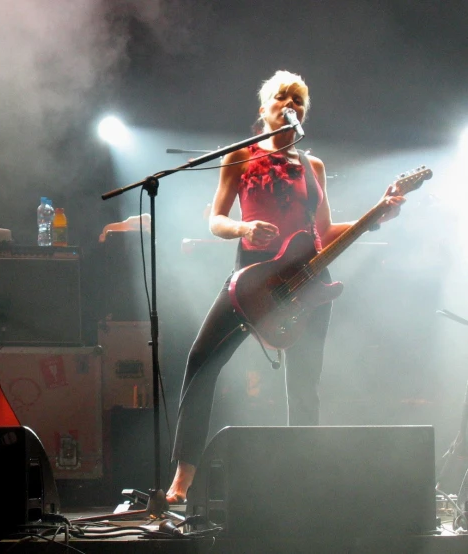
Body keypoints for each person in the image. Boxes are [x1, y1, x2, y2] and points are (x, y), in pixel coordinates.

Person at [165, 70, 406, 504]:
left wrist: (377, 215)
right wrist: (242, 226)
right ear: (264, 110)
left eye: (297, 100)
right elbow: (215, 219)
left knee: (304, 382)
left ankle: (304, 480)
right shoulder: (239, 158)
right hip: (252, 279)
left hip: (307, 282)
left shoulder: (313, 167)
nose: (290, 105)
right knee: (201, 362)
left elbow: (326, 230)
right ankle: (183, 477)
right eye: (281, 98)